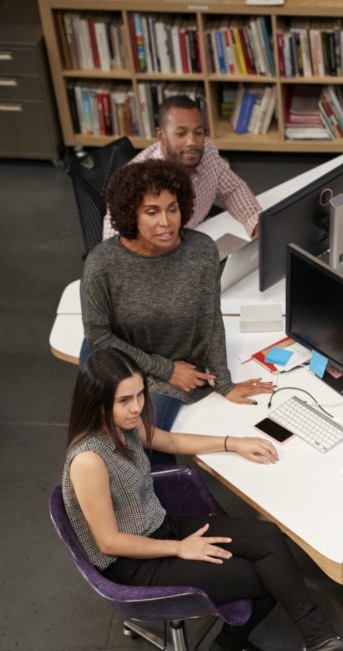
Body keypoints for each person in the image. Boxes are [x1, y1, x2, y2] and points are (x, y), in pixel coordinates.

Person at [62, 349, 343, 651]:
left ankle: (320, 640)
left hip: (159, 526)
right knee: (267, 577)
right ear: (97, 402)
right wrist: (181, 549)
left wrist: (233, 442)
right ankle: (230, 647)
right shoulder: (89, 460)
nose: (137, 406)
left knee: (269, 539)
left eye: (140, 394)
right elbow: (109, 542)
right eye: (124, 400)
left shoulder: (126, 425)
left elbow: (169, 441)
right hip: (133, 562)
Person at [83, 159, 273, 435]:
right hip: (127, 366)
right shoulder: (101, 264)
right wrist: (166, 369)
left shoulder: (202, 251)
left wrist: (225, 384)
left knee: (152, 439)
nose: (166, 222)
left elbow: (211, 320)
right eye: (152, 212)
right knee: (133, 445)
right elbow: (99, 339)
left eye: (172, 209)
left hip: (182, 368)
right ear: (130, 214)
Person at [101, 95, 262, 240]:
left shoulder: (208, 153)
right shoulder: (138, 179)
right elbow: (112, 239)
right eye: (181, 134)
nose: (192, 142)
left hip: (196, 239)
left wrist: (256, 223)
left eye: (198, 132)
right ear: (161, 137)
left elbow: (233, 189)